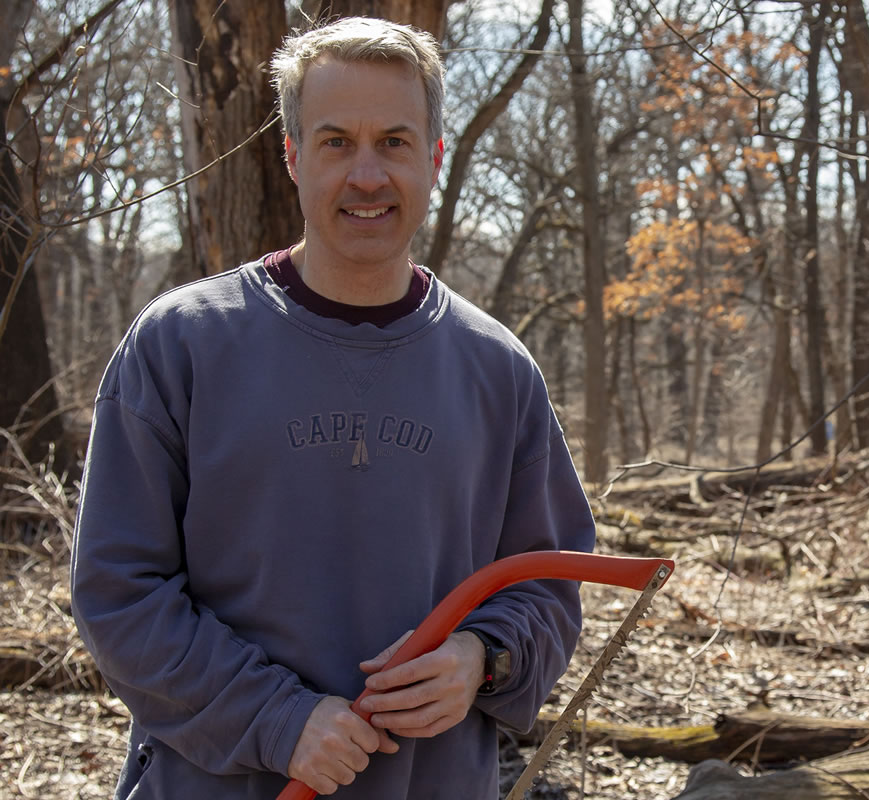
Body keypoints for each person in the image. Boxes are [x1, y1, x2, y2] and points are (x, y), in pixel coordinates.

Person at [70, 16, 596, 799]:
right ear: (291, 156)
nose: (367, 176)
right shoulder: (181, 345)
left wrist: (485, 657)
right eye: (335, 142)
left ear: (434, 157)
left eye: (393, 141)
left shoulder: (496, 369)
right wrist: (277, 719)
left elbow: (550, 584)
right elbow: (119, 591)